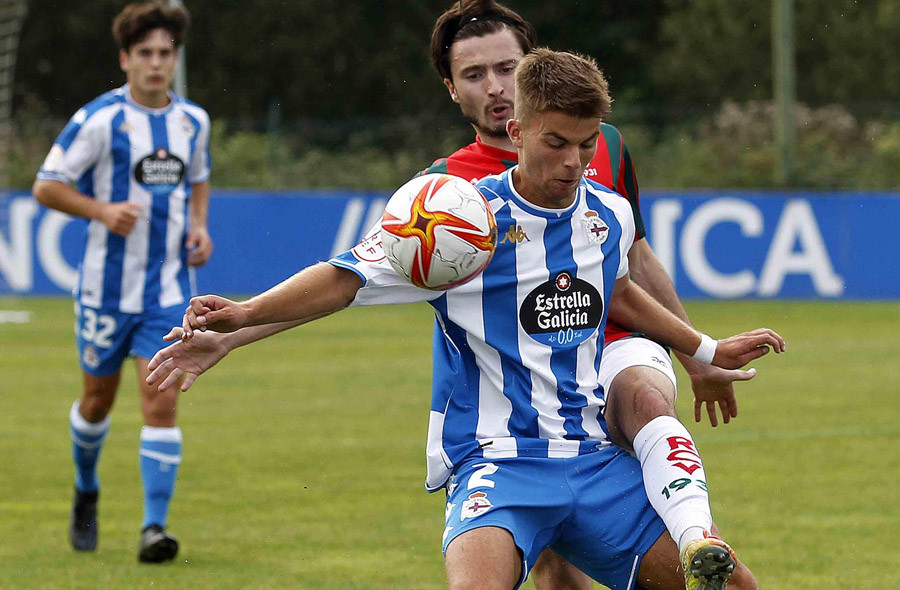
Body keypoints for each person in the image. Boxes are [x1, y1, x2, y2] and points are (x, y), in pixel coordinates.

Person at [150, 49, 783, 589]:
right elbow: (343, 279)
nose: (574, 162)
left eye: (588, 146)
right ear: (518, 130)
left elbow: (617, 294)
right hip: (498, 463)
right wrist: (242, 317)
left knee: (735, 584)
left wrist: (701, 348)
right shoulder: (457, 223)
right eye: (556, 143)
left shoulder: (608, 214)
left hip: (593, 458)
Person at [423, 3, 764, 589]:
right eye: (475, 75)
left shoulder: (602, 141)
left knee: (641, 399)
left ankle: (695, 540)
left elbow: (635, 262)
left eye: (507, 67)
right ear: (453, 89)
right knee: (556, 557)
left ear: (533, 65)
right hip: (527, 371)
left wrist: (696, 356)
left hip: (613, 336)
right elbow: (365, 274)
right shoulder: (448, 187)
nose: (497, 86)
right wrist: (241, 326)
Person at [32, 1, 212, 563]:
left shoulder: (193, 122)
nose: (156, 64)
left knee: (161, 405)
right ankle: (86, 487)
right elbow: (46, 185)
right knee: (95, 403)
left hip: (166, 295)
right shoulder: (98, 120)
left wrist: (200, 226)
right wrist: (101, 211)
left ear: (175, 58)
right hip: (105, 294)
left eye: (165, 54)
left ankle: (153, 530)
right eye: (145, 55)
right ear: (125, 60)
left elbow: (199, 178)